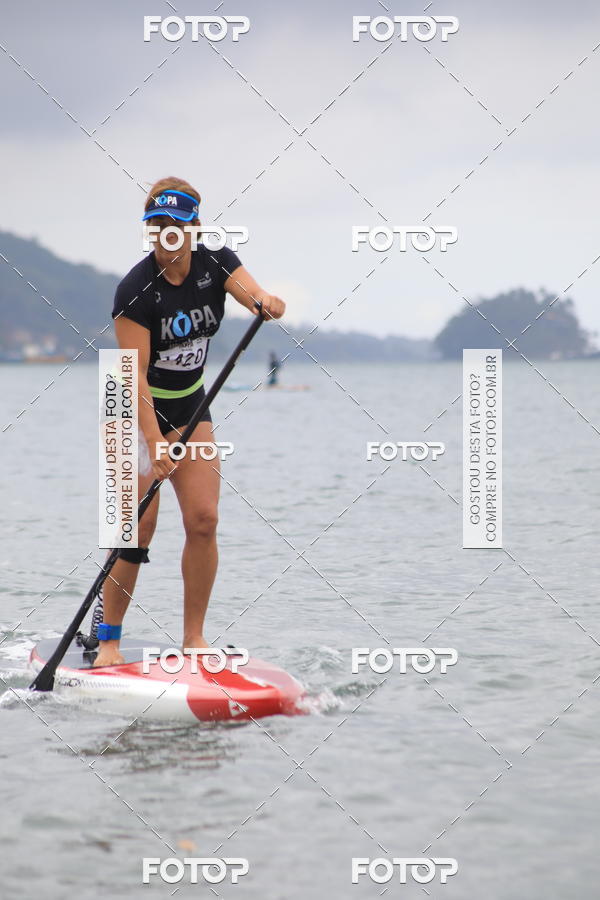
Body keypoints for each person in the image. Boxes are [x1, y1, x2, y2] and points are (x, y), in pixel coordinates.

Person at [93, 176, 285, 667]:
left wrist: (266, 302)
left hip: (190, 405)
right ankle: (108, 639)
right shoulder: (135, 291)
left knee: (203, 519)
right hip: (130, 407)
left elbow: (252, 293)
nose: (166, 235)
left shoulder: (216, 263)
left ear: (194, 228)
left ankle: (194, 638)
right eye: (156, 226)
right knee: (136, 527)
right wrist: (153, 442)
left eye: (175, 225)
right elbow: (132, 376)